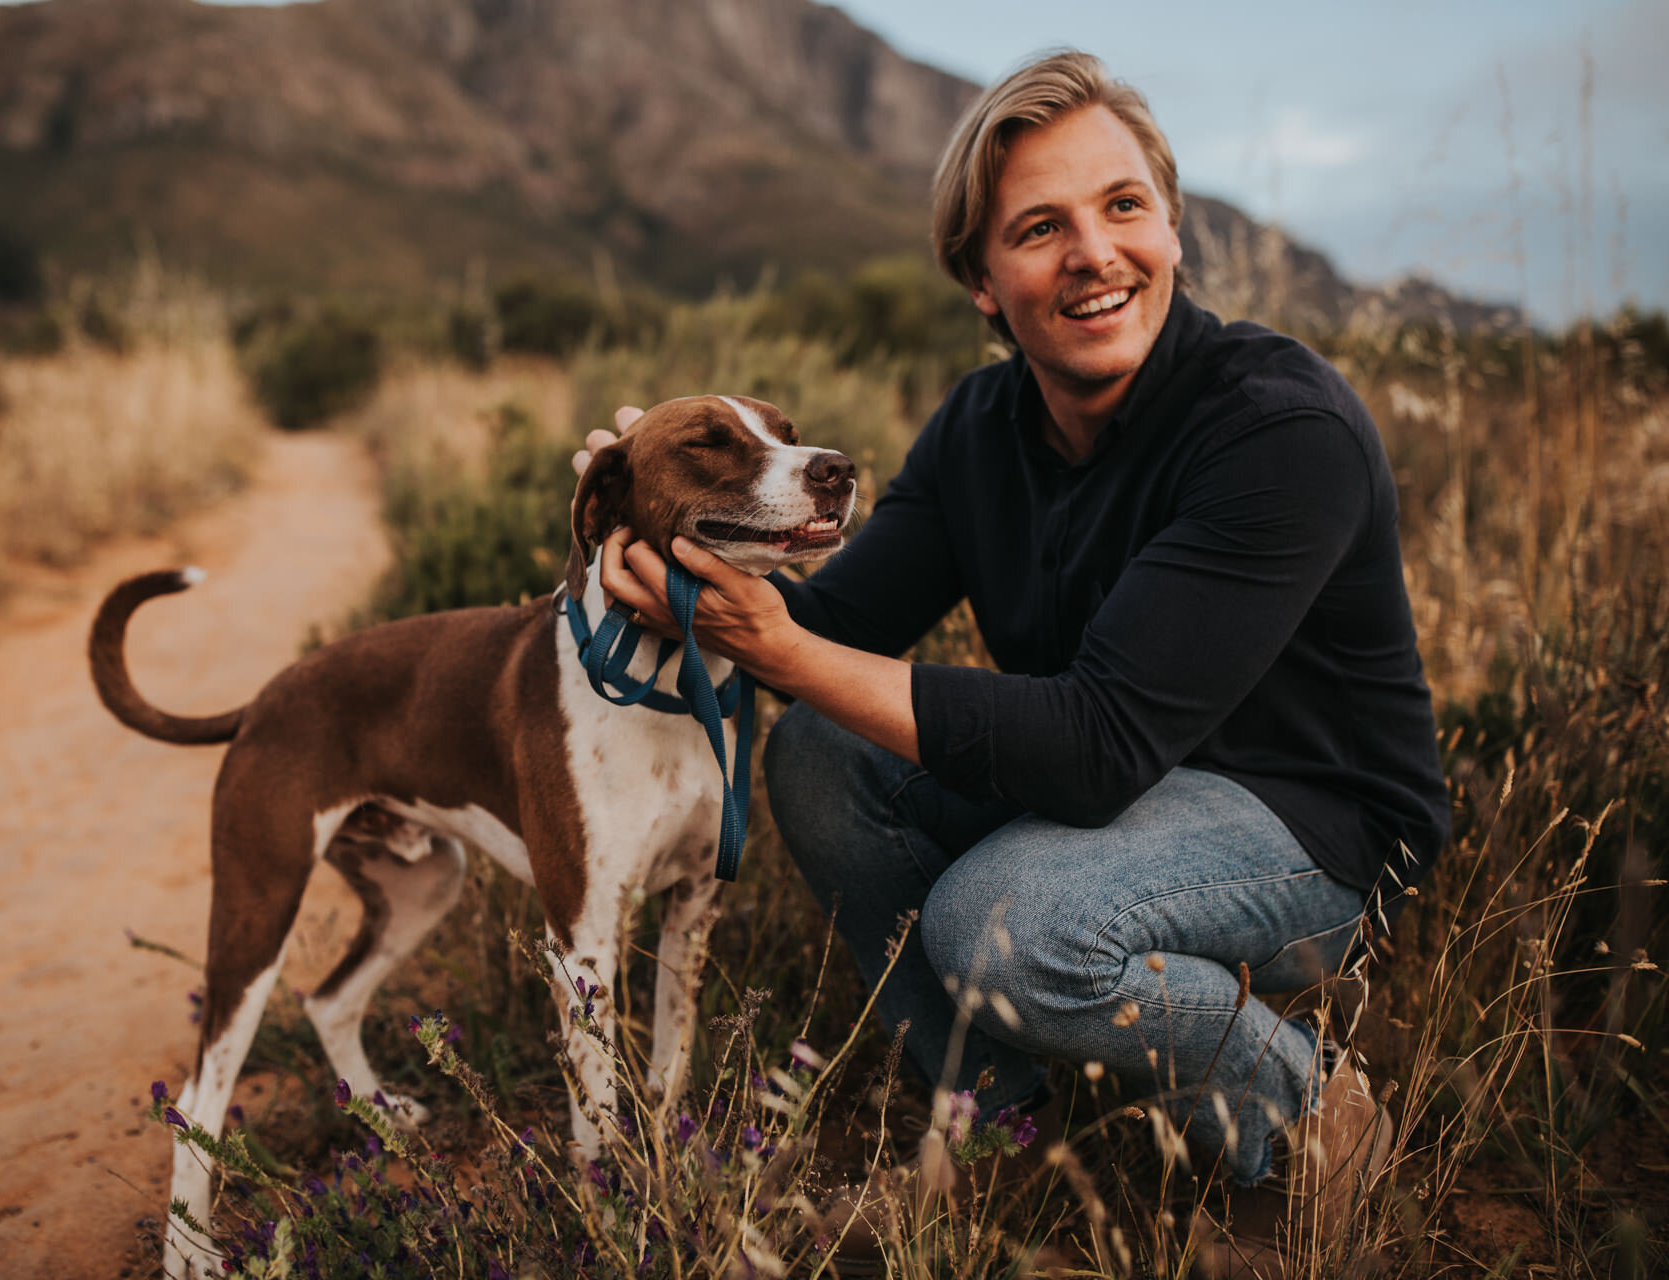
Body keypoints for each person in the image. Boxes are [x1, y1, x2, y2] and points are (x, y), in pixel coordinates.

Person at [577, 50, 1449, 1269]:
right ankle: (1000, 1136)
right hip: (1130, 798)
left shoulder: (1277, 426)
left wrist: (775, 643)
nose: (1094, 252)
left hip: (1310, 825)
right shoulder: (983, 429)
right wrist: (670, 515)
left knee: (1002, 925)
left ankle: (1305, 1118)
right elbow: (828, 642)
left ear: (1174, 229)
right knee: (821, 749)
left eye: (1123, 206)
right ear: (983, 283)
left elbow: (1092, 751)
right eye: (1041, 228)